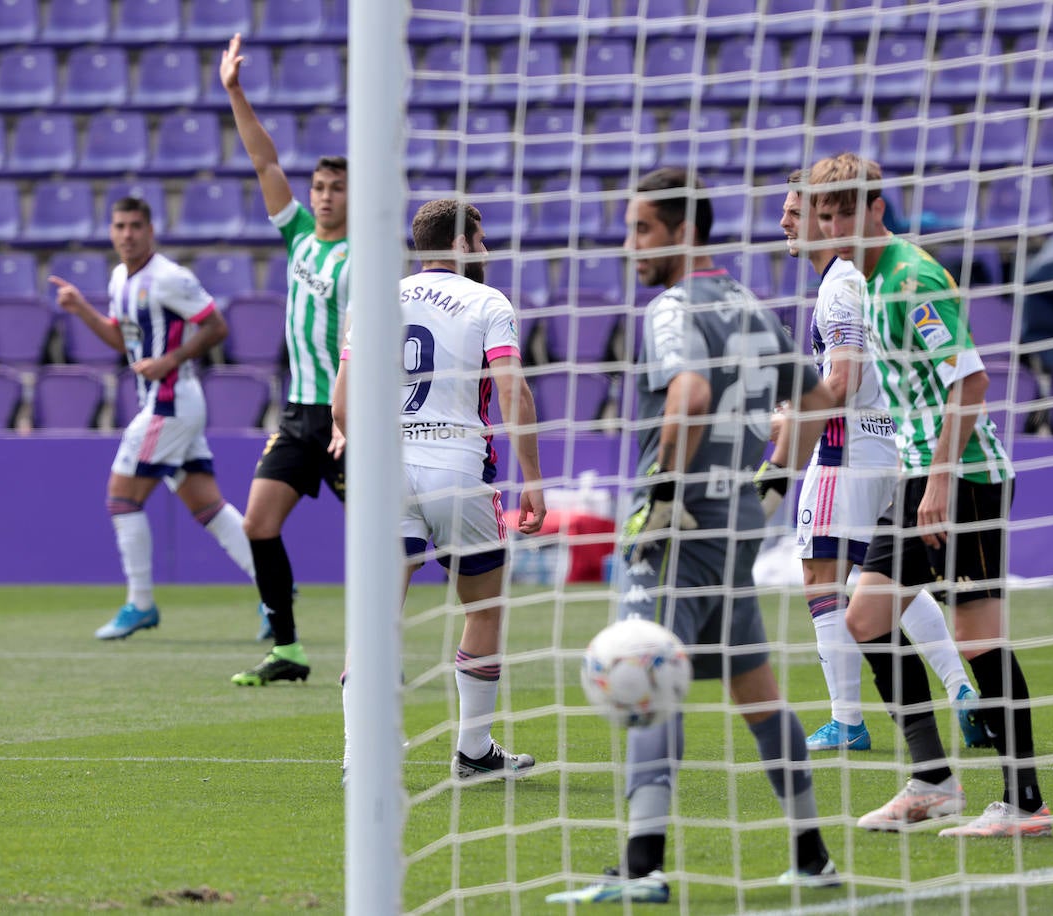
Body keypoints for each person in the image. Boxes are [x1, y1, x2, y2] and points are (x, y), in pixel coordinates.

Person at [546, 167, 841, 906]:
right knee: (757, 690)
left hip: (679, 532)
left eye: (641, 228)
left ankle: (641, 868)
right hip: (736, 526)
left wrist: (667, 494)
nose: (630, 243)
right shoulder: (749, 302)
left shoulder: (672, 308)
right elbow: (811, 401)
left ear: (682, 231)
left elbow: (690, 394)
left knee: (643, 678)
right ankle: (812, 856)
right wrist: (773, 481)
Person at [811, 153, 1051, 837]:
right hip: (918, 476)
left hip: (963, 477)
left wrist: (940, 477)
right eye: (823, 213)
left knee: (978, 640)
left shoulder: (911, 279)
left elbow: (969, 383)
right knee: (865, 618)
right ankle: (932, 783)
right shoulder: (865, 281)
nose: (831, 225)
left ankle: (1024, 803)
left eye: (843, 211)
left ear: (875, 210)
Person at [756, 169, 987, 753]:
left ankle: (848, 721)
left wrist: (795, 417)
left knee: (822, 576)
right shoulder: (870, 277)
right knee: (886, 578)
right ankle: (961, 689)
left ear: (830, 220)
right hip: (894, 442)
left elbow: (844, 377)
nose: (783, 221)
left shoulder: (839, 285)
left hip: (846, 445)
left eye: (795, 211)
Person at [332, 198, 547, 782]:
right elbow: (514, 393)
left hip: (389, 467)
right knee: (483, 608)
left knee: (376, 619)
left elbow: (343, 406)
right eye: (480, 242)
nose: (486, 251)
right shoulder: (487, 301)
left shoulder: (373, 298)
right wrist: (531, 478)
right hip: (459, 464)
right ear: (459, 244)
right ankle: (473, 750)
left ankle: (360, 757)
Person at [51, 197, 257, 640]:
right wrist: (80, 308)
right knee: (209, 507)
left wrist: (170, 359)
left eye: (135, 226)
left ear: (150, 230)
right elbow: (120, 341)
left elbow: (216, 326)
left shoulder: (169, 278)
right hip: (168, 402)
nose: (127, 234)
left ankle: (140, 603)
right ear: (111, 231)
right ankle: (275, 592)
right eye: (120, 226)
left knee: (122, 498)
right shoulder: (120, 277)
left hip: (170, 401)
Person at [222, 33, 350, 685]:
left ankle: (382, 650)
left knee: (389, 543)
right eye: (320, 186)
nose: (324, 196)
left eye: (336, 188)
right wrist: (236, 91)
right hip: (303, 414)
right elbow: (264, 161)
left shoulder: (366, 257)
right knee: (257, 522)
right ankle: (289, 648)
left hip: (350, 416)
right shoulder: (300, 234)